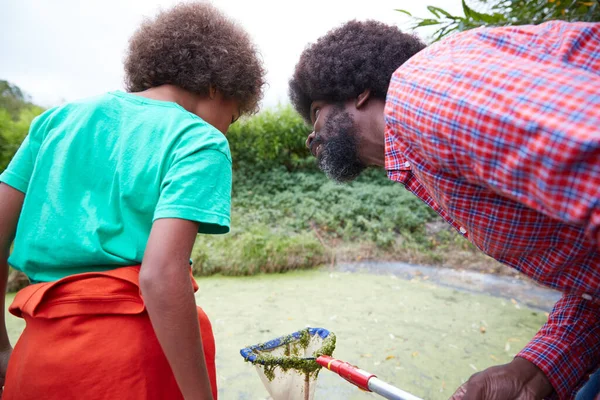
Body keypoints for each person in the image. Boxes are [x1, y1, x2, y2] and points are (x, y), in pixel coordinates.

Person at [289, 19, 599, 400]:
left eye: (316, 111)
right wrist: (532, 371)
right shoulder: (417, 158)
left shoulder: (424, 95)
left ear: (359, 92)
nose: (312, 136)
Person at [0, 3, 265, 399]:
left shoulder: (55, 122)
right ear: (217, 87)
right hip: (131, 366)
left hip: (38, 359)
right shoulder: (200, 140)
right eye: (235, 113)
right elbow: (160, 275)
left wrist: (1, 346)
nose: (228, 125)